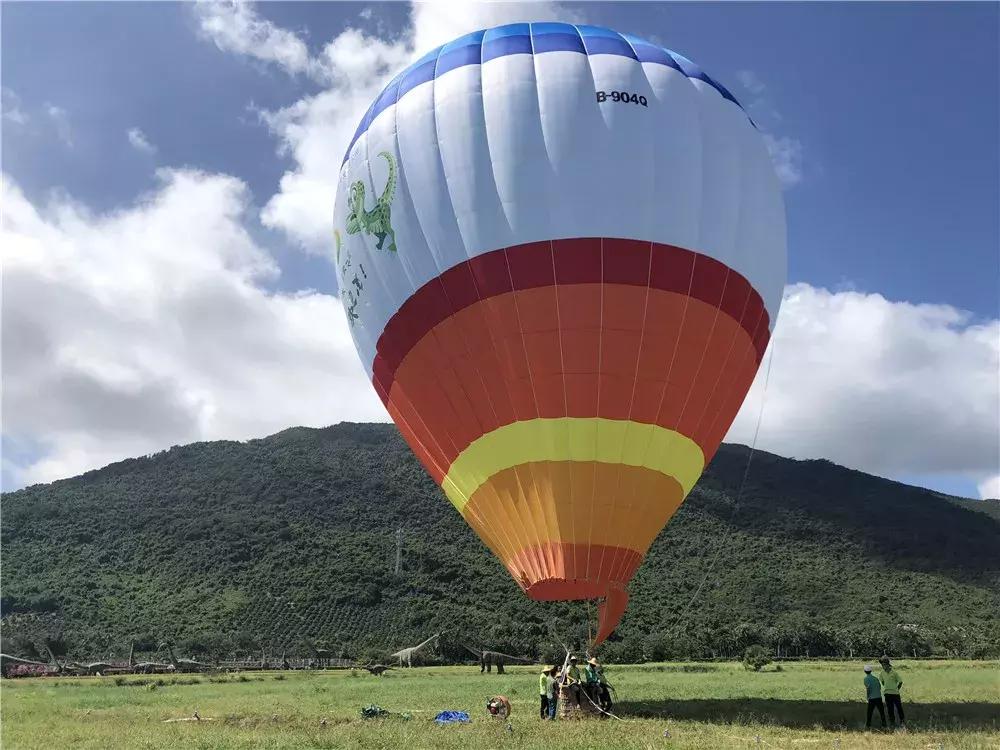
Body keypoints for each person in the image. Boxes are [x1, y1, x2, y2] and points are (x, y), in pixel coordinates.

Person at [879, 657, 905, 729]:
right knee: (890, 709)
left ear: (888, 665)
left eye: (884, 665)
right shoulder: (882, 673)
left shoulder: (894, 673)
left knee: (899, 707)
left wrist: (897, 689)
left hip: (895, 693)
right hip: (887, 693)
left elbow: (900, 682)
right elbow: (882, 681)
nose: (883, 666)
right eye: (882, 665)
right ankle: (892, 722)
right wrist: (887, 687)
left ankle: (902, 721)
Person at [863, 664, 886, 729]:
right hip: (878, 697)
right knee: (882, 712)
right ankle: (884, 725)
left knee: (869, 713)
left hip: (872, 698)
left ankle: (868, 726)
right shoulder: (875, 678)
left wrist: (868, 697)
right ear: (871, 671)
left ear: (865, 671)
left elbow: (868, 689)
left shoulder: (866, 679)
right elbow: (879, 687)